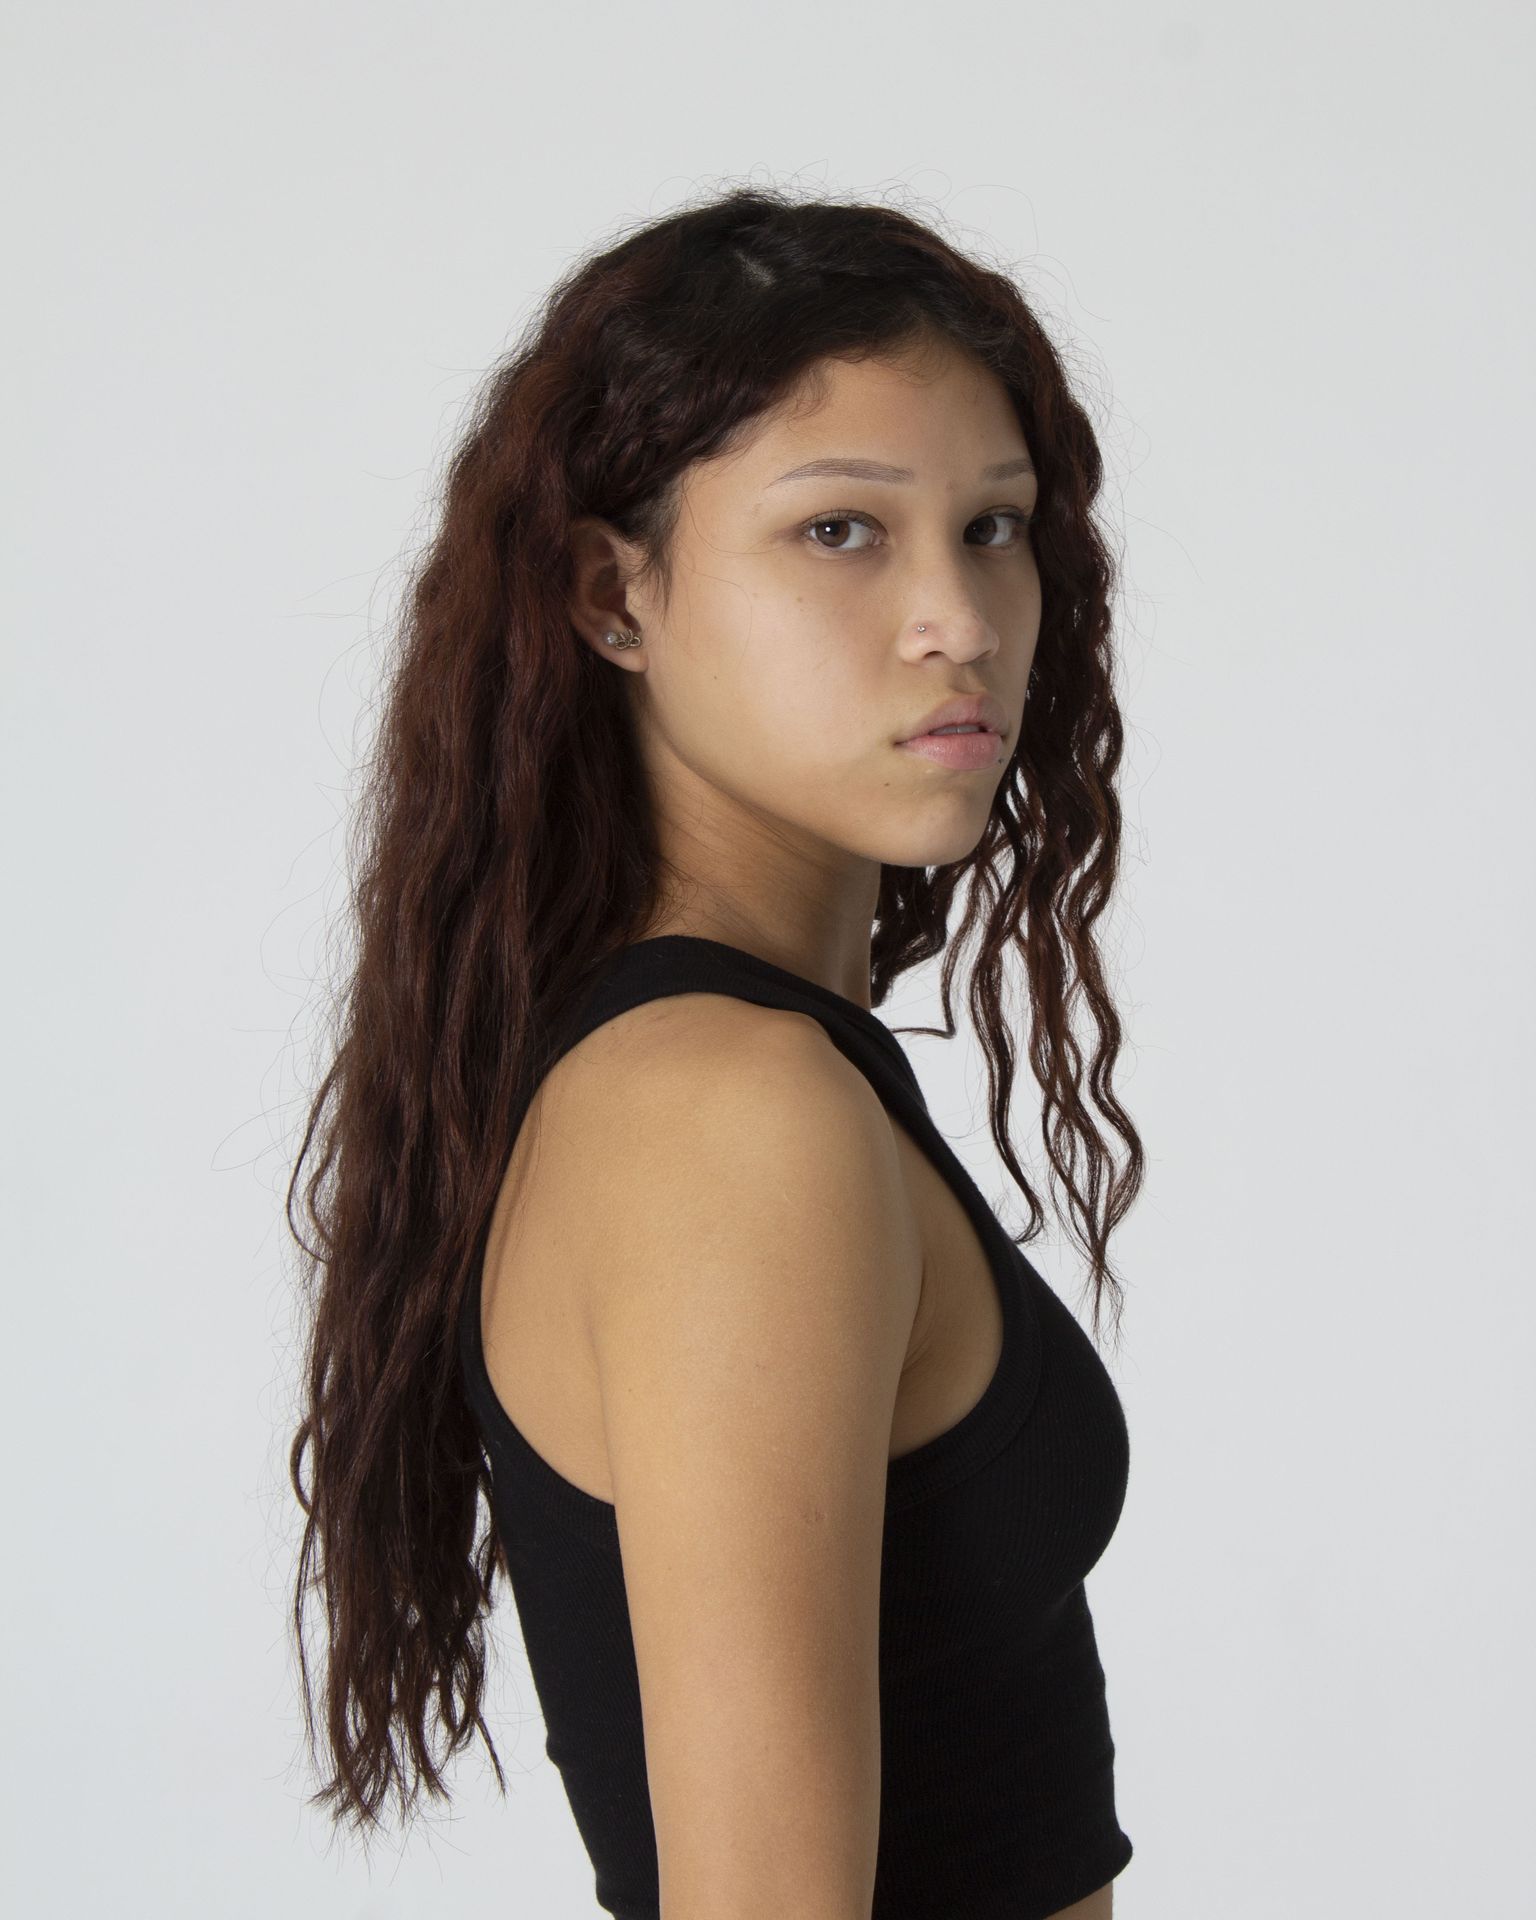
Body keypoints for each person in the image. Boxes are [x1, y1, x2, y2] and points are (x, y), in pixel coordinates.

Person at [288, 183, 1146, 1920]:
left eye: (994, 526)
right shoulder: (731, 1116)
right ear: (613, 596)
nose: (961, 619)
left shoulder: (740, 1073)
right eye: (841, 530)